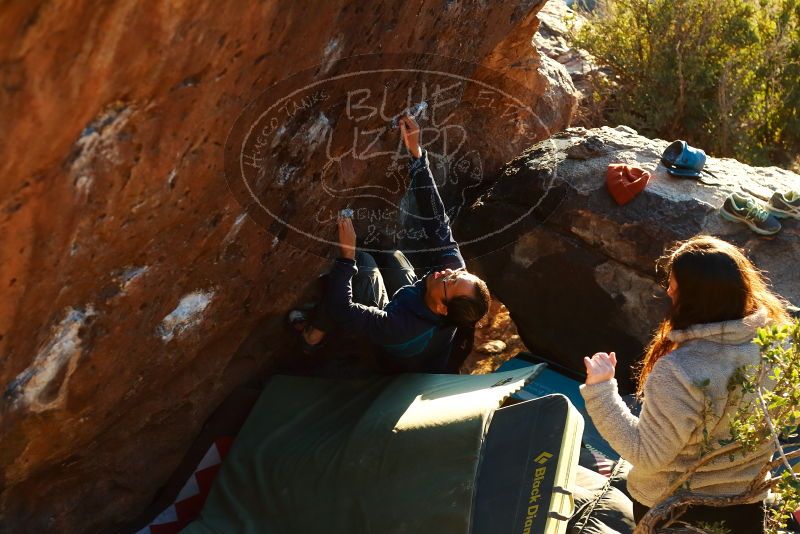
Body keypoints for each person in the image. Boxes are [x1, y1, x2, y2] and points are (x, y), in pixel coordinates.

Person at [580, 235, 790, 533]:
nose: (667, 290)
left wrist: (601, 390)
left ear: (693, 298)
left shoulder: (680, 371)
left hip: (675, 513)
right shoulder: (780, 341)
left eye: (673, 285)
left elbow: (647, 455)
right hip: (747, 506)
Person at [297, 115, 490, 373]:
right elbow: (436, 222)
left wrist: (346, 256)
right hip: (411, 306)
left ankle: (312, 337)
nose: (449, 271)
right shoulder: (451, 281)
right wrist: (417, 155)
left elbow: (342, 309)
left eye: (451, 280)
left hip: (388, 351)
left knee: (362, 265)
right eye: (457, 273)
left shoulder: (401, 328)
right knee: (392, 255)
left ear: (443, 308)